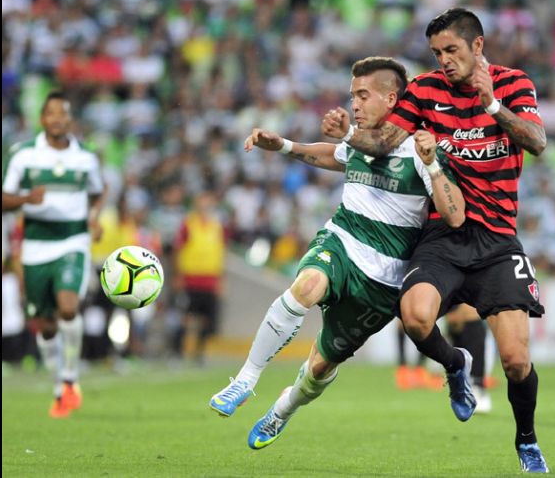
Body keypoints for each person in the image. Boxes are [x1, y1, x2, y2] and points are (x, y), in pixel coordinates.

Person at [322, 8, 549, 473]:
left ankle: (526, 439)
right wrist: (349, 132)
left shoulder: (514, 84)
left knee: (516, 362)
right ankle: (454, 366)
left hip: (497, 241)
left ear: (477, 47)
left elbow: (537, 141)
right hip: (443, 234)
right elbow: (384, 141)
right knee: (415, 316)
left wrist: (491, 106)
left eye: (452, 50)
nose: (444, 60)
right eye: (437, 53)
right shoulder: (425, 90)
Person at [208, 57, 467, 450]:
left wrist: (432, 166)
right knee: (307, 285)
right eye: (353, 96)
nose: (355, 105)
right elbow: (331, 155)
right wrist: (283, 145)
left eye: (363, 96)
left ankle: (282, 410)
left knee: (319, 367)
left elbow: (453, 214)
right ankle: (244, 380)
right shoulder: (358, 140)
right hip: (343, 239)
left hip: (384, 278)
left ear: (391, 98)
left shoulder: (420, 147)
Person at [2, 91, 105, 418]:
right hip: (35, 245)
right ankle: (59, 382)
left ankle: (71, 379)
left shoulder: (86, 157)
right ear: (42, 119)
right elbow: (4, 198)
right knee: (45, 325)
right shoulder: (23, 155)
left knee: (68, 306)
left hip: (73, 240)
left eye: (64, 113)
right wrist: (26, 200)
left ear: (70, 119)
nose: (58, 118)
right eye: (52, 113)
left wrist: (94, 218)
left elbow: (98, 192)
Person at [173, 191, 225, 363]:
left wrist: (220, 279)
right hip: (191, 278)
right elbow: (178, 250)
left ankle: (199, 353)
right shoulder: (188, 224)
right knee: (186, 318)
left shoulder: (215, 225)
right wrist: (178, 275)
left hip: (209, 280)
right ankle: (178, 353)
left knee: (206, 319)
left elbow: (219, 253)